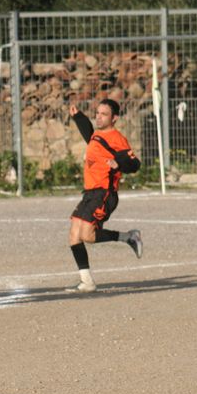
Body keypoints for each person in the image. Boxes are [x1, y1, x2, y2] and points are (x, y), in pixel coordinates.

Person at [65, 99, 142, 292]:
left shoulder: (117, 139)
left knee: (88, 236)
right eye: (97, 113)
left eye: (104, 114)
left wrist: (119, 164)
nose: (99, 117)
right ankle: (87, 282)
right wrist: (78, 116)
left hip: (104, 193)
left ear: (114, 118)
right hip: (90, 193)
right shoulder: (97, 134)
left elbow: (135, 164)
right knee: (74, 235)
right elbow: (90, 136)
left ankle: (129, 237)